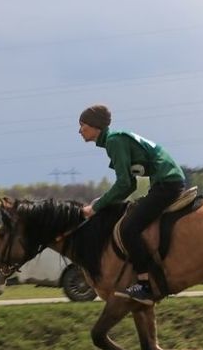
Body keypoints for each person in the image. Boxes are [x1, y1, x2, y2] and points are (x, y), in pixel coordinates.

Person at [79, 104, 186, 305]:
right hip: (165, 182)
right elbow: (129, 185)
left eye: (82, 125)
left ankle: (144, 286)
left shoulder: (113, 141)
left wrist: (95, 207)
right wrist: (102, 202)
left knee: (129, 228)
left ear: (95, 126)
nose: (80, 131)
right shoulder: (114, 140)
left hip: (166, 183)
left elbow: (124, 184)